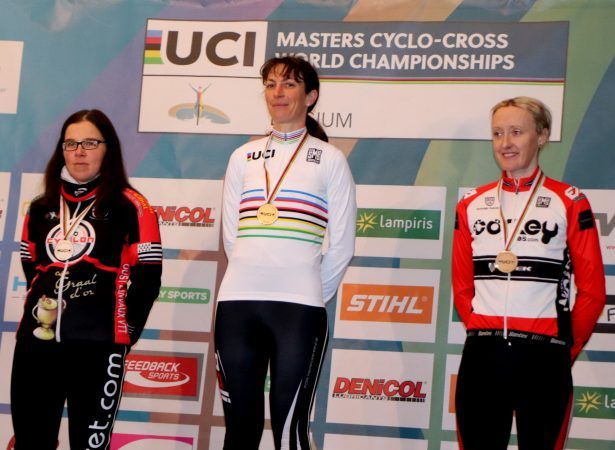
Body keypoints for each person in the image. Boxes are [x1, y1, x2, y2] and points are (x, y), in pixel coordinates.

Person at [214, 56, 356, 450]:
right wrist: (254, 273)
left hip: (298, 309)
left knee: (290, 432)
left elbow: (342, 245)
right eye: (271, 84)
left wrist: (308, 290)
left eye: (290, 84)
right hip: (237, 304)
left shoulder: (329, 159)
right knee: (238, 433)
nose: (278, 92)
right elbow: (231, 237)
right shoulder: (242, 156)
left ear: (310, 97)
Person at [452, 96, 605, 449]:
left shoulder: (570, 201)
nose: (505, 143)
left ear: (543, 136)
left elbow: (593, 291)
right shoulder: (471, 203)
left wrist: (563, 347)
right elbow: (462, 286)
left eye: (517, 132)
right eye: (497, 133)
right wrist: (483, 331)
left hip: (544, 357)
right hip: (483, 356)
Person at [11, 109, 163, 449]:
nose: (79, 152)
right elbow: (31, 266)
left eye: (90, 143)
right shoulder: (40, 207)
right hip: (37, 346)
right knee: (31, 442)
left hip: (98, 347)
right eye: (71, 144)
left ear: (108, 149)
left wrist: (125, 333)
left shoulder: (132, 206)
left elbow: (148, 278)